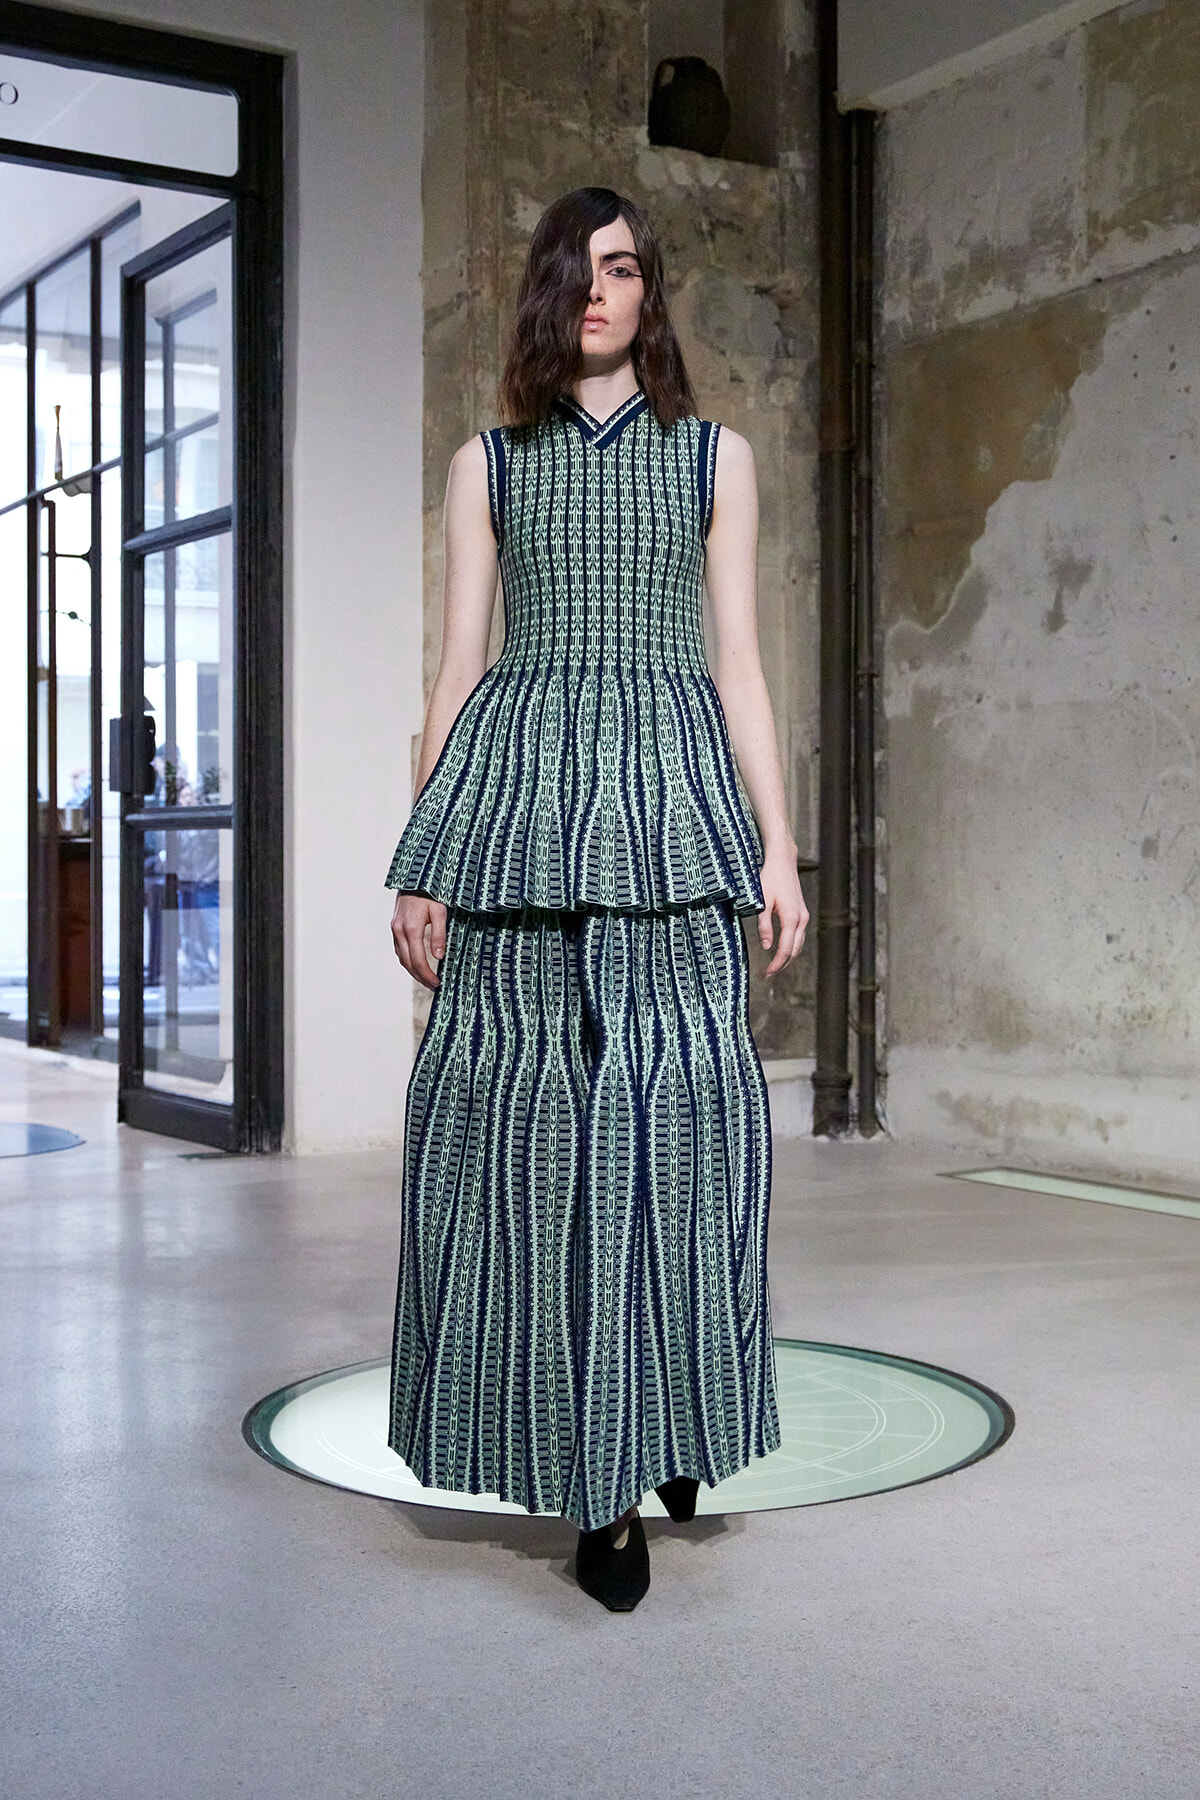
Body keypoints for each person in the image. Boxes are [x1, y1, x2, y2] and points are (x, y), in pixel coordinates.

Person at [386, 186, 808, 1612]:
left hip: (672, 812)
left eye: (623, 269)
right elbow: (453, 672)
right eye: (578, 268)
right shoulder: (487, 465)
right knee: (537, 1142)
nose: (599, 293)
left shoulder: (713, 458)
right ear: (549, 288)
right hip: (520, 819)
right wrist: (426, 853)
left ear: (651, 291)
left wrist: (779, 844)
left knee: (685, 1132)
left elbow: (741, 664)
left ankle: (677, 1411)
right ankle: (600, 1485)